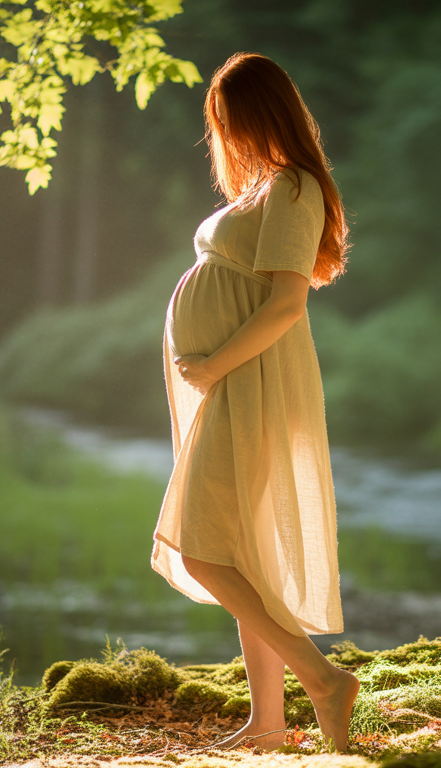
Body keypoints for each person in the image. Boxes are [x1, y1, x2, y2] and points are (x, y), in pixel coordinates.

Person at [149, 52, 359, 752]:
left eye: (229, 121)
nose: (224, 137)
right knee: (240, 553)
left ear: (260, 115)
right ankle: (268, 720)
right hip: (238, 383)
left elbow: (285, 305)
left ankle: (323, 681)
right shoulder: (263, 189)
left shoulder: (295, 189)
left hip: (257, 383)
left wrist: (211, 363)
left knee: (204, 548)